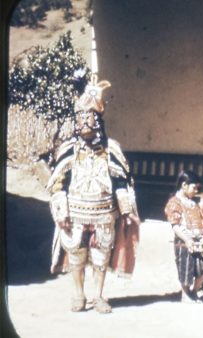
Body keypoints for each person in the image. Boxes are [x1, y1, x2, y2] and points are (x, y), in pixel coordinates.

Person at [46, 76, 140, 314]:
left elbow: (121, 181)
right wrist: (61, 212)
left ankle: (98, 296)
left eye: (89, 117)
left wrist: (127, 210)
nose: (84, 122)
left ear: (98, 120)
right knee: (76, 256)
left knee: (100, 257)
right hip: (75, 212)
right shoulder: (68, 150)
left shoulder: (111, 150)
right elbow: (58, 184)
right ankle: (78, 295)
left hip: (104, 214)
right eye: (80, 118)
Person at [164, 170, 203, 303]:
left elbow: (200, 222)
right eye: (194, 187)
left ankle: (194, 292)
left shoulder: (193, 203)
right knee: (186, 268)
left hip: (197, 242)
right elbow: (175, 226)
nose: (196, 191)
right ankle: (185, 294)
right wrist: (187, 239)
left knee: (202, 269)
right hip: (183, 241)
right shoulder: (175, 202)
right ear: (184, 185)